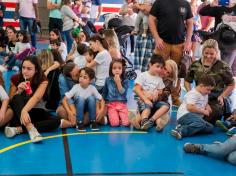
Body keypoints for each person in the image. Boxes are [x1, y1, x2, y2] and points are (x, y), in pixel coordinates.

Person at [4, 56, 71, 143]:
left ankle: (18, 129)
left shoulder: (42, 80)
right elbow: (10, 101)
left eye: (29, 69)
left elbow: (37, 97)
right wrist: (19, 91)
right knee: (17, 97)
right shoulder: (15, 78)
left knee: (56, 121)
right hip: (18, 116)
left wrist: (25, 110)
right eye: (23, 68)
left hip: (30, 112)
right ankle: (30, 129)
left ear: (36, 70)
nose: (25, 71)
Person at [148, 0, 193, 106]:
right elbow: (151, 19)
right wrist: (157, 38)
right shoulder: (159, 2)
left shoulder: (185, 3)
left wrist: (188, 42)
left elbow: (190, 22)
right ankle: (156, 95)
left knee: (176, 73)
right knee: (157, 70)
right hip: (162, 43)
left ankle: (175, 98)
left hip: (179, 44)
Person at [184, 39, 235, 124]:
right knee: (185, 113)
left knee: (212, 115)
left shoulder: (223, 66)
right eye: (206, 53)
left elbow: (231, 84)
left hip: (214, 100)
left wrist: (222, 96)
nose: (208, 56)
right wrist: (191, 94)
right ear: (202, 51)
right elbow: (187, 81)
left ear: (217, 52)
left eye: (212, 54)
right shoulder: (195, 64)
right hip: (198, 98)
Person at [131, 59, 178, 131]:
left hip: (158, 105)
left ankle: (157, 123)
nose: (165, 72)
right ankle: (136, 121)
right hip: (146, 102)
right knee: (144, 111)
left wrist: (157, 93)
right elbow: (137, 89)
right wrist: (145, 93)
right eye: (164, 68)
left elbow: (164, 95)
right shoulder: (151, 74)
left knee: (162, 116)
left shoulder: (169, 82)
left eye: (168, 72)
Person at [171, 74, 215, 140]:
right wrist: (203, 111)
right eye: (208, 89)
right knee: (201, 123)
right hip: (185, 116)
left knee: (210, 127)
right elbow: (190, 108)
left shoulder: (204, 93)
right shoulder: (193, 94)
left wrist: (207, 106)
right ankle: (180, 131)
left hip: (194, 118)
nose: (209, 92)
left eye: (210, 90)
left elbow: (204, 102)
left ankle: (184, 127)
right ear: (201, 86)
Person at [63, 67, 104, 131]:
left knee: (92, 98)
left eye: (85, 77)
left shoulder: (92, 88)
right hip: (78, 108)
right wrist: (69, 112)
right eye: (80, 76)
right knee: (81, 99)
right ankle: (79, 123)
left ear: (90, 80)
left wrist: (101, 110)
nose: (81, 79)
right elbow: (64, 100)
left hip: (87, 109)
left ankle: (93, 122)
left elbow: (101, 99)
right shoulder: (76, 87)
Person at [103, 59, 130, 127]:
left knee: (126, 124)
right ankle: (115, 117)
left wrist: (118, 82)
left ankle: (124, 116)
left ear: (122, 70)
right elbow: (105, 92)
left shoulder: (125, 80)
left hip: (122, 104)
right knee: (115, 124)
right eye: (114, 68)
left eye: (119, 68)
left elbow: (123, 93)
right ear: (111, 70)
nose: (117, 70)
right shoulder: (108, 80)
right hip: (111, 105)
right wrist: (103, 104)